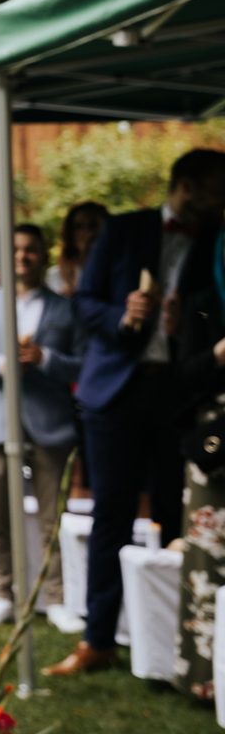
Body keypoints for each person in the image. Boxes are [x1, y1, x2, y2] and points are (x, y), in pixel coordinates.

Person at [48, 148, 225, 676]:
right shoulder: (124, 231)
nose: (224, 199)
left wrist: (187, 321)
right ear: (186, 187)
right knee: (112, 517)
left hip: (179, 394)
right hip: (116, 395)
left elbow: (210, 310)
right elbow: (83, 304)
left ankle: (176, 648)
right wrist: (123, 314)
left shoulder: (215, 241)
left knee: (175, 517)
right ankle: (97, 640)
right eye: (218, 188)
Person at [0, 224, 84, 634]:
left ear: (43, 255)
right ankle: (0, 595)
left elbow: (81, 365)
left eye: (31, 250)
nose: (23, 256)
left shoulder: (65, 309)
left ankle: (56, 599)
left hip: (50, 425)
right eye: (16, 250)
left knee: (50, 519)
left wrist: (45, 359)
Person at [171, 220, 225, 700]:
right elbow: (183, 376)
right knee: (208, 561)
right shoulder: (204, 300)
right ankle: (205, 677)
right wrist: (219, 354)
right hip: (216, 443)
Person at [49, 202, 111, 297]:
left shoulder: (116, 272)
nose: (87, 233)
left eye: (92, 226)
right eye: (78, 227)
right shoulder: (54, 275)